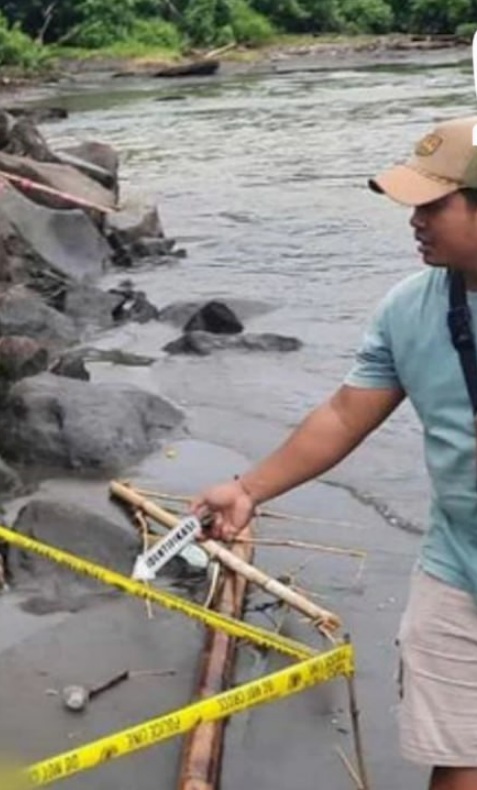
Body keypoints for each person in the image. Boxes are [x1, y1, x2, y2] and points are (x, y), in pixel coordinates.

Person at [193, 116, 477, 790]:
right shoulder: (409, 309)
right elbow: (347, 412)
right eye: (411, 202)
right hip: (458, 571)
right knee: (459, 762)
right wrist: (248, 488)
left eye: (433, 204)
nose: (415, 219)